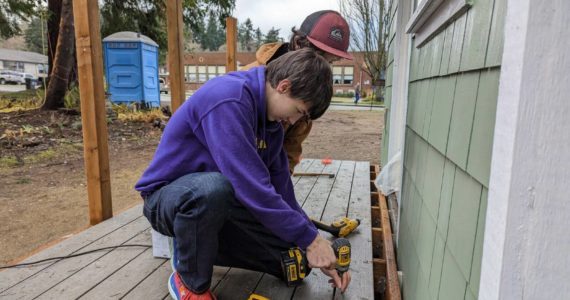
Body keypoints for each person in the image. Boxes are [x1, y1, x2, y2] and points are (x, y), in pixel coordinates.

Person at [135, 49, 351, 300]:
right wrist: (312, 240)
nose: (293, 121)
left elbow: (283, 194)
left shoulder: (271, 127)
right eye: (298, 111)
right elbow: (251, 187)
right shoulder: (229, 99)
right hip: (169, 199)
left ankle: (195, 246)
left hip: (219, 203)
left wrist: (312, 244)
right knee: (213, 189)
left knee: (294, 259)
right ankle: (189, 280)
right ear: (283, 86)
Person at [242, 10, 352, 174]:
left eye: (330, 61)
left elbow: (288, 156)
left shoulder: (306, 95)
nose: (322, 67)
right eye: (319, 56)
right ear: (298, 43)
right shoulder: (245, 85)